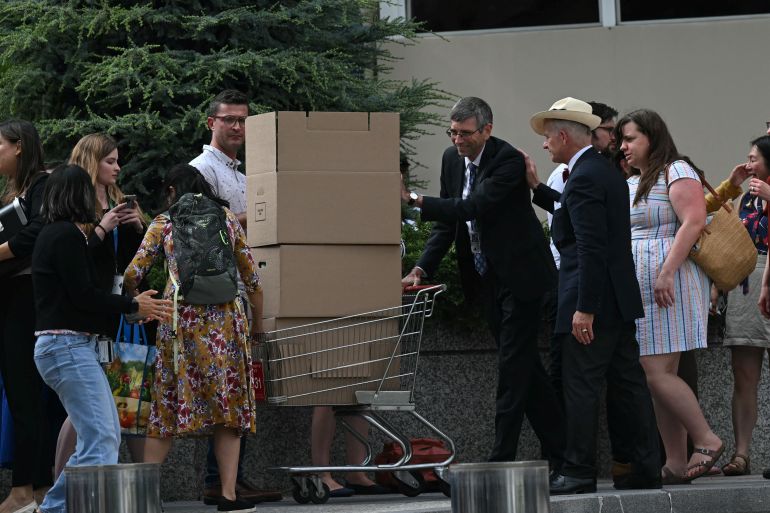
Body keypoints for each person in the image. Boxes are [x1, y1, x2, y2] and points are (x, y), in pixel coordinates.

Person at [400, 96, 565, 467]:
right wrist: (421, 268)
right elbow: (449, 223)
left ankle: (501, 460)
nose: (457, 141)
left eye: (465, 134)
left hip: (522, 278)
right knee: (527, 371)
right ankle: (564, 453)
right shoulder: (450, 159)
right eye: (453, 132)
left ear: (487, 130)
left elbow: (471, 207)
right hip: (485, 277)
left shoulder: (506, 159)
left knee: (511, 368)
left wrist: (412, 198)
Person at [527, 98, 660, 494]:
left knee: (580, 386)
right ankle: (645, 466)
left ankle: (579, 471)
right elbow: (579, 221)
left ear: (565, 135)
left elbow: (589, 246)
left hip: (592, 300)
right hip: (618, 298)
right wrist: (536, 188)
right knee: (628, 384)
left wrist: (584, 308)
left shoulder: (583, 176)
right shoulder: (603, 172)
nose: (545, 145)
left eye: (549, 137)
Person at [123, 164, 263, 513]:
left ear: (171, 190)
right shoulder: (227, 219)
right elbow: (253, 279)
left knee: (166, 407)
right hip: (226, 325)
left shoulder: (164, 222)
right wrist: (256, 325)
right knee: (227, 409)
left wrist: (140, 301)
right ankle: (229, 496)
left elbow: (131, 272)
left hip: (179, 324)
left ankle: (144, 497)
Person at [31, 164, 171, 513]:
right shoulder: (63, 236)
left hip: (70, 348)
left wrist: (132, 304)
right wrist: (132, 305)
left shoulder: (62, 235)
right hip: (67, 347)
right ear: (77, 195)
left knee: (102, 436)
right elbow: (84, 294)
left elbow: (92, 287)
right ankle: (55, 509)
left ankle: (55, 507)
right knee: (101, 438)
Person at [615, 108, 723, 483]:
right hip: (647, 287)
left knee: (653, 371)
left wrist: (666, 272)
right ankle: (675, 461)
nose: (622, 146)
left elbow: (694, 221)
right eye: (621, 140)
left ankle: (707, 439)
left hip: (669, 284)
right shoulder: (635, 179)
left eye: (630, 139)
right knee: (660, 374)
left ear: (652, 137)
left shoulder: (675, 170)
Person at [53, 133, 148, 477]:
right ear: (92, 162)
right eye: (110, 161)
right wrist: (101, 230)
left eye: (118, 160)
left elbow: (132, 265)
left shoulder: (119, 201)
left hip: (123, 312)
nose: (117, 168)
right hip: (91, 317)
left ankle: (141, 484)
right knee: (88, 407)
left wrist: (138, 230)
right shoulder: (73, 208)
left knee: (130, 398)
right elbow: (75, 265)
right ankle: (62, 482)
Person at [0, 119, 59, 513]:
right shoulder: (17, 190)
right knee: (27, 398)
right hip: (16, 300)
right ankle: (36, 488)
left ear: (19, 146)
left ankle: (23, 490)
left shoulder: (42, 184)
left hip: (25, 302)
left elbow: (37, 232)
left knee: (25, 397)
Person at [719, 135, 770, 476]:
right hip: (746, 277)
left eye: (754, 158)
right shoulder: (749, 196)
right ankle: (741, 454)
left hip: (765, 270)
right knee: (744, 371)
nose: (749, 164)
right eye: (748, 158)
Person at [190, 90, 248, 229]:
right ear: (211, 123)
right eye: (228, 119)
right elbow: (202, 227)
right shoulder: (199, 169)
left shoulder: (242, 177)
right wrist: (258, 216)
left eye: (242, 120)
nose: (237, 127)